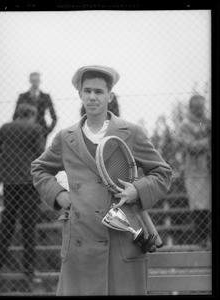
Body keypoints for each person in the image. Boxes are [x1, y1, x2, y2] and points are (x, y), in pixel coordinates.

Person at [31, 65, 172, 296]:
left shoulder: (132, 132)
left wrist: (136, 190)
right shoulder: (65, 138)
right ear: (80, 95)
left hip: (122, 239)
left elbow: (163, 173)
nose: (92, 97)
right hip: (79, 243)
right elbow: (39, 169)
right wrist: (59, 194)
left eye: (98, 91)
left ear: (110, 96)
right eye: (87, 91)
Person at [0, 103, 44, 279]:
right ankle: (29, 268)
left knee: (8, 222)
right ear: (32, 115)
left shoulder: (6, 128)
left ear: (18, 114)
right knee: (29, 225)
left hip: (11, 183)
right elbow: (40, 154)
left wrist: (0, 167)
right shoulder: (35, 129)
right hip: (29, 183)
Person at [179, 94, 211, 247]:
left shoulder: (204, 122)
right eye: (199, 108)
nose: (202, 111)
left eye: (203, 108)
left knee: (206, 205)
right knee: (199, 206)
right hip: (195, 171)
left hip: (207, 168)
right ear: (193, 108)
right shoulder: (186, 124)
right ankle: (202, 240)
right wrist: (208, 141)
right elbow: (191, 146)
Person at [13, 72, 57, 146]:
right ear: (30, 81)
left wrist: (47, 131)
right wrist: (19, 130)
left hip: (41, 131)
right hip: (25, 131)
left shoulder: (45, 97)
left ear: (40, 81)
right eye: (33, 80)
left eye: (37, 80)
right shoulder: (22, 97)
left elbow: (54, 118)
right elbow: (15, 116)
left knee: (40, 154)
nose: (35, 83)